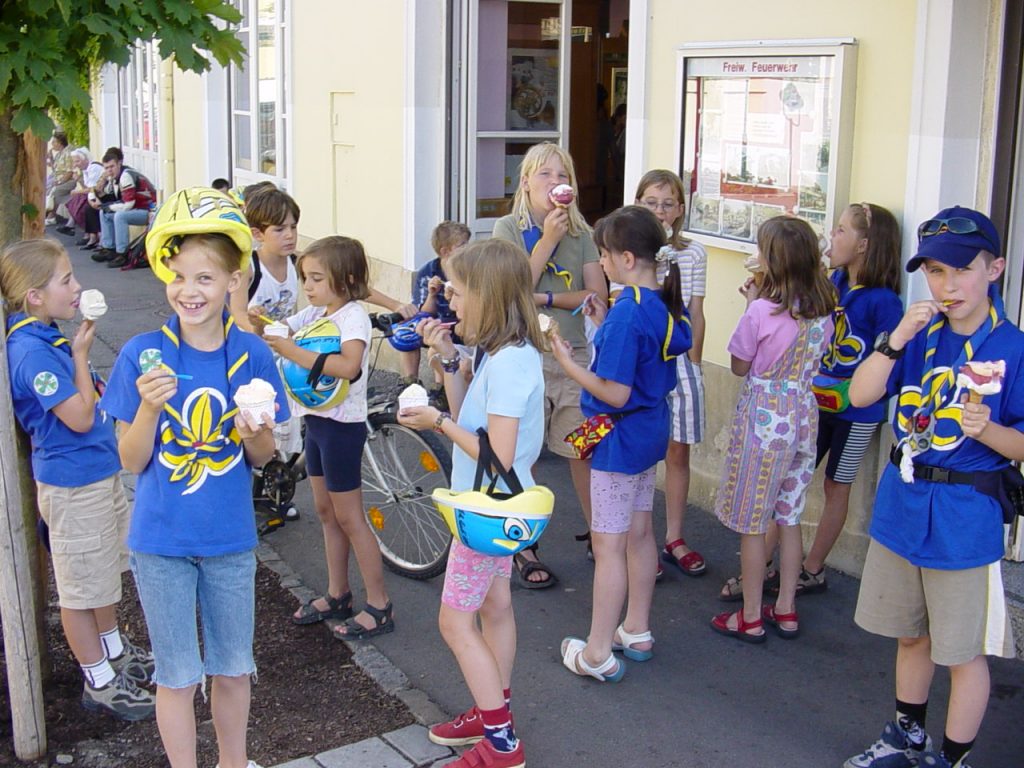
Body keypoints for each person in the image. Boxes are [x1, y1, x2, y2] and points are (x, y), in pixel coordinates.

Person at [100, 187, 289, 768]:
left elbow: (264, 457)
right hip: (161, 544)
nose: (190, 290)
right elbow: (130, 461)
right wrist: (149, 408)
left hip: (230, 540)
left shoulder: (253, 356)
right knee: (177, 676)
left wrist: (254, 430)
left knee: (232, 668)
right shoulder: (142, 354)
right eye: (178, 276)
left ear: (234, 280)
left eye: (206, 278)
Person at [844, 207, 1020, 768]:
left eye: (962, 270)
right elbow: (861, 395)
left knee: (962, 653)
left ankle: (953, 758)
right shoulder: (918, 336)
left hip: (964, 517)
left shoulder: (1013, 347)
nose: (948, 285)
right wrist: (895, 339)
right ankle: (907, 736)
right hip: (904, 505)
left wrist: (988, 431)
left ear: (994, 269)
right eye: (936, 272)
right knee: (909, 635)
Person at [397, 238, 545, 768]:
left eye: (458, 292)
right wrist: (445, 361)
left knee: (454, 624)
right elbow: (473, 423)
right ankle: (491, 715)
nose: (450, 303)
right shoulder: (504, 353)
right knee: (494, 609)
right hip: (495, 508)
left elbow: (495, 455)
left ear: (487, 294)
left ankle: (501, 743)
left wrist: (436, 422)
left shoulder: (508, 365)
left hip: (486, 510)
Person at [0, 239, 156, 722]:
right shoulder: (30, 352)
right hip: (72, 485)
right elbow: (81, 416)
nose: (77, 286)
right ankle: (98, 680)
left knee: (103, 572)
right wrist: (82, 355)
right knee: (80, 588)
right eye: (66, 280)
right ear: (34, 296)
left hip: (96, 473)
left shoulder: (45, 334)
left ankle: (113, 649)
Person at [719, 203, 904, 601]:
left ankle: (813, 568)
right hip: (811, 404)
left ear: (864, 245)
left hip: (857, 413)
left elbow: (889, 358)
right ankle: (762, 568)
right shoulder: (831, 282)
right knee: (784, 491)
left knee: (836, 484)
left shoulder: (884, 301)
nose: (833, 237)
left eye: (841, 230)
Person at [554, 205, 691, 681]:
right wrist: (605, 319)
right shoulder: (658, 302)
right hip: (648, 431)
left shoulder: (626, 314)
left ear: (627, 258)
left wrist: (568, 364)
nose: (602, 263)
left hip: (618, 436)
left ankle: (597, 652)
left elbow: (614, 392)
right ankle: (635, 629)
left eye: (605, 255)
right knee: (640, 532)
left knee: (608, 545)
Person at [711, 216, 835, 643]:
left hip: (765, 419)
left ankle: (749, 615)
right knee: (789, 515)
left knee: (753, 522)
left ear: (773, 261)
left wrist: (750, 306)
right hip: (803, 414)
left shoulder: (762, 311)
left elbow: (740, 365)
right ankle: (785, 607)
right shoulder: (823, 311)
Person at [267, 236, 395, 640]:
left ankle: (379, 605)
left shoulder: (353, 318)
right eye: (305, 277)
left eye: (317, 278)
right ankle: (338, 592)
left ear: (347, 279)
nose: (308, 286)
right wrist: (259, 321)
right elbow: (280, 328)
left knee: (350, 517)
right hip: (318, 423)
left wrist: (289, 350)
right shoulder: (319, 312)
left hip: (342, 428)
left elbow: (348, 366)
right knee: (326, 511)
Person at [493, 141, 608, 588]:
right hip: (522, 354)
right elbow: (509, 288)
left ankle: (601, 535)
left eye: (563, 176)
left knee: (584, 449)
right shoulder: (508, 228)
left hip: (573, 355)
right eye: (545, 174)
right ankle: (522, 543)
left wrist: (542, 297)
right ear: (525, 182)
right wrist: (547, 240)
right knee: (522, 453)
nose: (555, 183)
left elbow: (595, 296)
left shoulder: (583, 233)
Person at [632, 169, 709, 578]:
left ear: (680, 209)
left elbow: (696, 310)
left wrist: (695, 362)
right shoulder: (629, 250)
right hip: (644, 362)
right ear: (638, 204)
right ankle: (638, 539)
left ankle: (674, 536)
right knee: (642, 451)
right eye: (651, 202)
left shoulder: (693, 253)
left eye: (667, 204)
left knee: (679, 450)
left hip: (679, 360)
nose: (660, 211)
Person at [404, 221, 471, 405]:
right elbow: (422, 313)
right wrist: (432, 295)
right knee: (407, 331)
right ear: (445, 251)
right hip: (437, 324)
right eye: (462, 245)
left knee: (441, 342)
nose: (468, 248)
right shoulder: (428, 272)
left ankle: (442, 387)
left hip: (463, 325)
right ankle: (410, 383)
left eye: (468, 243)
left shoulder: (470, 269)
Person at [91, 147, 157, 268]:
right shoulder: (114, 178)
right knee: (104, 213)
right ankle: (109, 248)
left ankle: (122, 254)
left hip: (149, 211)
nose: (109, 170)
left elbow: (128, 204)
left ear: (119, 164)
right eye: (106, 168)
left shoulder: (126, 176)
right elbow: (111, 199)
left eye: (112, 166)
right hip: (136, 208)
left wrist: (108, 207)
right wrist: (99, 191)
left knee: (120, 216)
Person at [56, 148, 104, 248]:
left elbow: (91, 189)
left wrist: (77, 191)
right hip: (94, 195)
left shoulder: (93, 168)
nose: (75, 164)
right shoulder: (86, 170)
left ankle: (85, 233)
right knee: (78, 199)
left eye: (77, 161)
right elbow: (87, 188)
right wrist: (78, 179)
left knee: (81, 200)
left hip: (102, 195)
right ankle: (84, 233)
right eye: (74, 162)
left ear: (86, 159)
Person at [46, 131, 75, 225]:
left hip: (68, 181)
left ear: (60, 143)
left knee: (55, 191)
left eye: (54, 142)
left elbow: (69, 172)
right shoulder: (59, 154)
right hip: (58, 179)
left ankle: (51, 216)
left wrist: (59, 182)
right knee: (47, 189)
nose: (52, 144)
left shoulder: (67, 153)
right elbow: (56, 170)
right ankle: (48, 213)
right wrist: (51, 159)